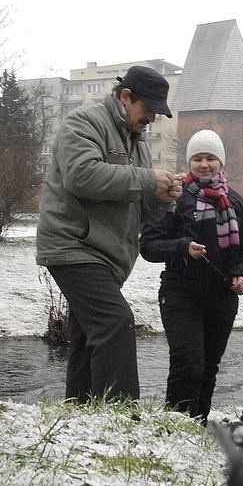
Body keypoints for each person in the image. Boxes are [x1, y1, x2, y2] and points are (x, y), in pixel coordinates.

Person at [36, 66, 183, 403]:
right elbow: (81, 176)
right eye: (147, 111)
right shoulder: (85, 122)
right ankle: (121, 415)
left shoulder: (139, 144)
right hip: (74, 245)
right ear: (126, 97)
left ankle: (81, 410)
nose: (150, 120)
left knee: (89, 337)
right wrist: (148, 180)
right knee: (116, 324)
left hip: (107, 256)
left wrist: (163, 199)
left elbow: (143, 208)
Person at [140, 130, 243, 424]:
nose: (204, 164)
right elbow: (148, 246)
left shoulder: (236, 202)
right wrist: (182, 247)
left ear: (220, 162)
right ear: (189, 161)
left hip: (223, 296)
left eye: (210, 158)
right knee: (188, 363)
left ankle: (197, 423)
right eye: (197, 158)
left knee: (208, 366)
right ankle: (177, 425)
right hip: (180, 293)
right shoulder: (175, 197)